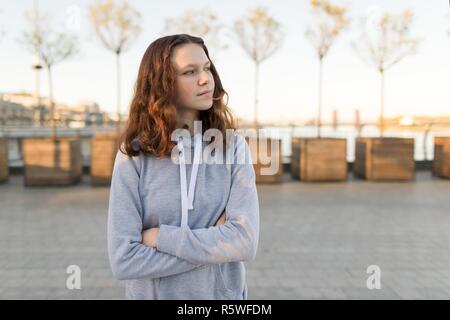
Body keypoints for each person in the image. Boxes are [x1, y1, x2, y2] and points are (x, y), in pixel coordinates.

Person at [107, 34, 260, 300]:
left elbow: (245, 243)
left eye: (207, 68)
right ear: (162, 84)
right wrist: (215, 243)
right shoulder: (133, 155)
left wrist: (160, 238)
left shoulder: (233, 148)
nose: (205, 79)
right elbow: (124, 260)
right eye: (190, 72)